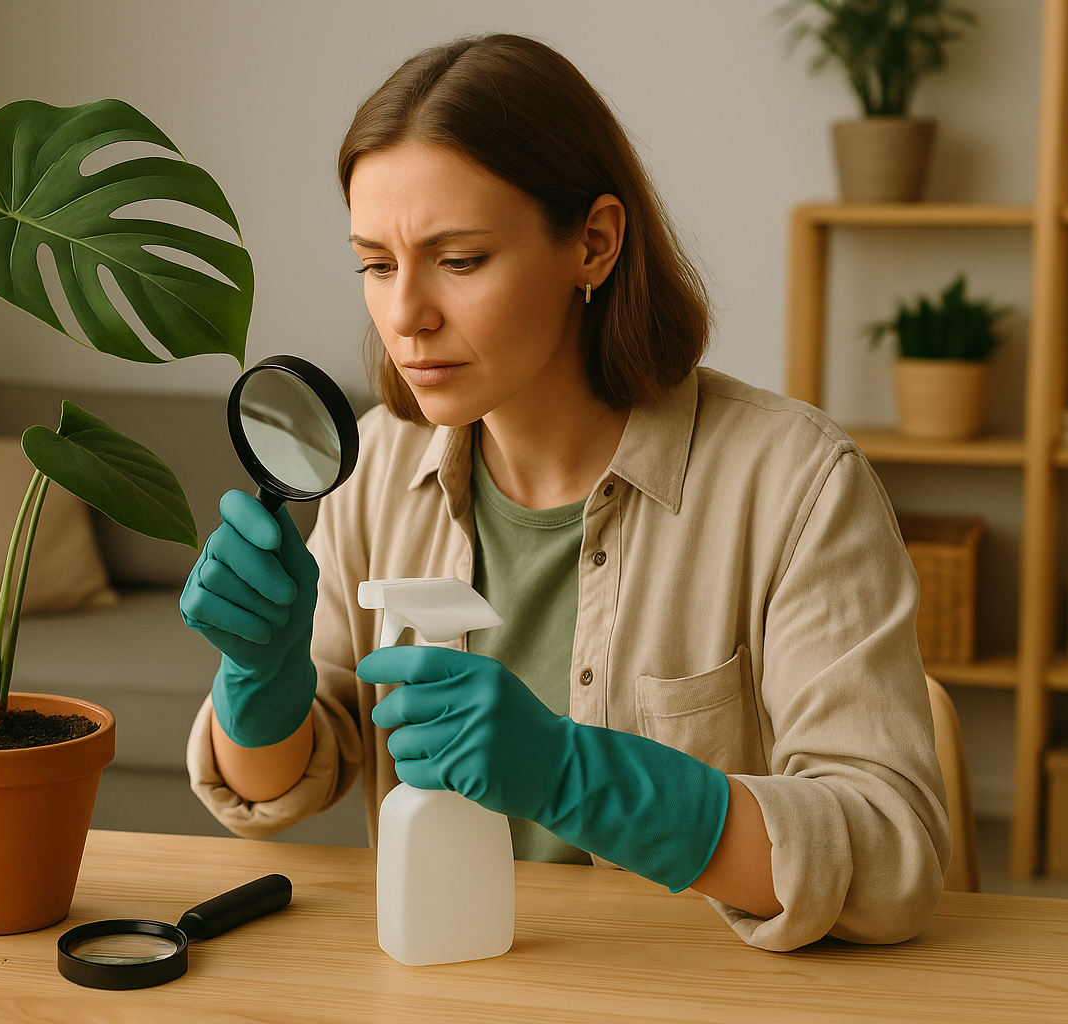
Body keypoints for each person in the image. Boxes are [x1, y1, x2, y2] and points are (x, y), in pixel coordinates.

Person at [180, 33, 949, 952]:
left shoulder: (795, 485)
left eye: (458, 260)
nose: (404, 316)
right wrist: (257, 683)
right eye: (376, 264)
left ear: (594, 243)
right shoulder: (377, 467)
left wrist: (574, 774)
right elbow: (274, 786)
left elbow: (892, 857)